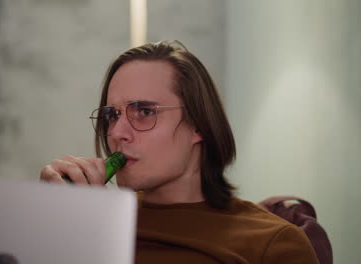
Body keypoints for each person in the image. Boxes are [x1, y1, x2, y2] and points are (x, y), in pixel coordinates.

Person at [40, 40, 319, 263]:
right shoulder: (92, 221)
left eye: (145, 112)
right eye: (112, 115)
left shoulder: (271, 244)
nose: (116, 133)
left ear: (198, 124)